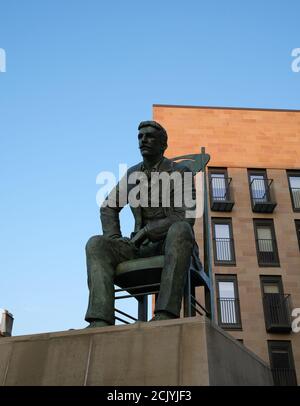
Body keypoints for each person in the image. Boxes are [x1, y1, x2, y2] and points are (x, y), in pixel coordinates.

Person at [85, 120, 201, 327]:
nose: (143, 140)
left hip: (171, 243)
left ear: (163, 145)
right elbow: (108, 207)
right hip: (139, 247)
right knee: (96, 244)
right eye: (140, 137)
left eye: (149, 136)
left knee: (181, 229)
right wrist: (114, 238)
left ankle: (165, 313)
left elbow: (185, 216)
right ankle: (100, 319)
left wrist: (148, 230)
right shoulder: (133, 174)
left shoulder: (181, 172)